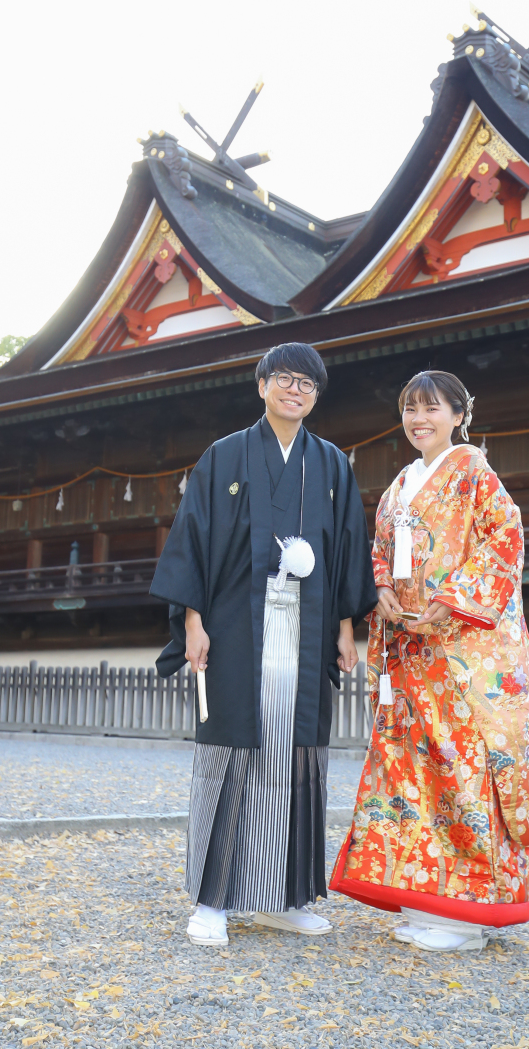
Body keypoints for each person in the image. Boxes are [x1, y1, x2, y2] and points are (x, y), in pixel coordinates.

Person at [330, 370, 529, 952]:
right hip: (410, 647)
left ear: (457, 415)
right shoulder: (401, 483)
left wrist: (448, 605)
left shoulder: (473, 470)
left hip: (460, 650)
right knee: (415, 770)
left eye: (431, 408)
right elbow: (380, 549)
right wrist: (384, 592)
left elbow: (505, 537)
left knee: (466, 768)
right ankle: (430, 895)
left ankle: (472, 913)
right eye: (410, 409)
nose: (419, 419)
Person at [151, 342, 377, 946]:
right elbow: (193, 540)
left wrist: (346, 627)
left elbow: (347, 550)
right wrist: (193, 622)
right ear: (261, 386)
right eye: (284, 379)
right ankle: (212, 901)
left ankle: (284, 895)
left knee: (296, 757)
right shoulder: (224, 456)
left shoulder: (331, 464)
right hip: (234, 625)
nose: (295, 389)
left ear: (316, 395)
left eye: (307, 382)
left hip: (305, 630)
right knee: (231, 755)